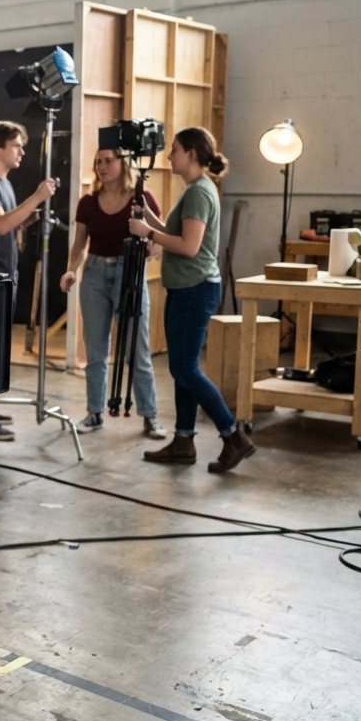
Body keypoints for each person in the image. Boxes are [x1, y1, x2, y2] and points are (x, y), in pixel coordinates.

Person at [128, 125, 255, 473]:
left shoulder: (199, 192)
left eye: (175, 150)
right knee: (182, 368)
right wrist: (149, 219)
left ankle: (233, 436)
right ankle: (184, 440)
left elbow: (189, 246)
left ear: (192, 155)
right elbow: (177, 233)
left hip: (195, 287)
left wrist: (147, 232)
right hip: (187, 287)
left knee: (184, 367)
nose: (169, 155)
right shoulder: (196, 189)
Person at [60, 148, 166, 438]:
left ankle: (150, 416)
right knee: (95, 349)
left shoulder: (141, 199)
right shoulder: (87, 202)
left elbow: (158, 235)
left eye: (109, 161)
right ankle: (94, 412)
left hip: (128, 273)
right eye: (98, 162)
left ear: (123, 163)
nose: (102, 166)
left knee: (137, 349)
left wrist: (153, 247)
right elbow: (79, 243)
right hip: (94, 274)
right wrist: (71, 270)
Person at [0, 120, 57, 440]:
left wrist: (29, 217)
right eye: (16, 145)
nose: (22, 151)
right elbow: (1, 225)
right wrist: (37, 196)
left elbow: (9, 224)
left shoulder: (3, 182)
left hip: (3, 277)